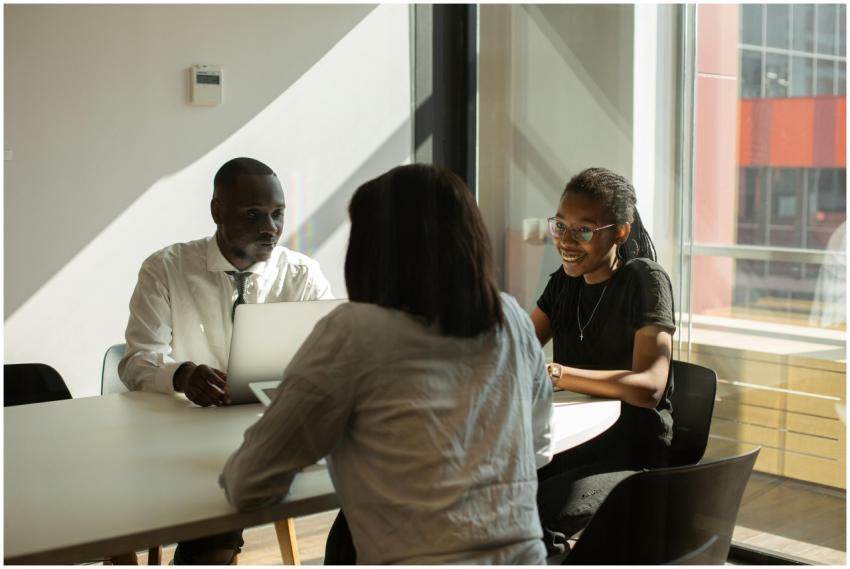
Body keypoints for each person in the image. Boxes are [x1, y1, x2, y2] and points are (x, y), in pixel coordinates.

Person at [219, 164, 554, 564]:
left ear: (372, 247)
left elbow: (249, 483)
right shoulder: (512, 318)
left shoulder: (354, 331)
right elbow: (538, 448)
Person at [119, 156, 333, 564]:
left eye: (277, 214)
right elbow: (136, 361)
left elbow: (330, 359)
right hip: (186, 435)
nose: (269, 227)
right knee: (215, 515)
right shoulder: (165, 269)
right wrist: (180, 375)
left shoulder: (301, 274)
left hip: (270, 428)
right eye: (253, 214)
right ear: (217, 211)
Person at [530, 167, 676, 549]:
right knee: (490, 495)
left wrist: (558, 373)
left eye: (584, 230)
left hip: (630, 452)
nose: (566, 240)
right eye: (560, 226)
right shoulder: (564, 283)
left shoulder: (645, 279)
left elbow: (650, 389)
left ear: (620, 232)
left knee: (532, 515)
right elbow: (518, 347)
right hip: (575, 442)